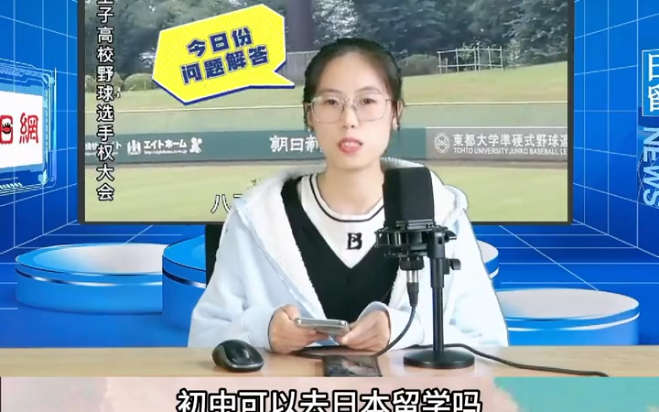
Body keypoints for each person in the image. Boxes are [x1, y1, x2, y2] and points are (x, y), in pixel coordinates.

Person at [188, 38, 508, 353]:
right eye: (331, 102)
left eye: (367, 101)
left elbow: (489, 342)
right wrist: (262, 331)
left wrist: (407, 330)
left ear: (395, 112)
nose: (349, 120)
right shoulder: (259, 215)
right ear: (309, 114)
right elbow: (203, 338)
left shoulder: (439, 211)